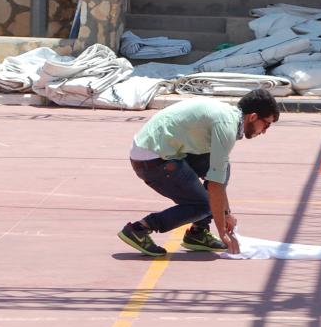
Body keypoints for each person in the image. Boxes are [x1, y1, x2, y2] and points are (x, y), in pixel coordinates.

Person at [118, 89, 280, 258]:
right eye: (266, 124)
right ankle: (139, 229)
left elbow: (217, 175)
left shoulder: (228, 115)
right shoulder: (226, 127)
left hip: (163, 150)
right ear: (253, 117)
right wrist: (223, 232)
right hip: (151, 159)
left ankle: (198, 233)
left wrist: (226, 213)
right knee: (204, 205)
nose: (264, 131)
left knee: (223, 168)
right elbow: (215, 186)